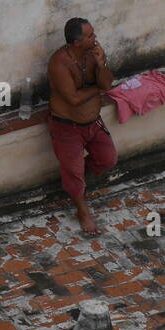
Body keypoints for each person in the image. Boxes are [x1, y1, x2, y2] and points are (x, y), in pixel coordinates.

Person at [47, 17, 117, 234]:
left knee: (108, 159)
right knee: (74, 173)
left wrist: (101, 64)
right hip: (66, 126)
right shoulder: (59, 63)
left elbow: (106, 83)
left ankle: (74, 182)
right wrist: (98, 89)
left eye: (93, 33)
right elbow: (74, 99)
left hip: (93, 122)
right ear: (76, 42)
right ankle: (82, 209)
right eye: (90, 36)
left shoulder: (94, 52)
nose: (95, 38)